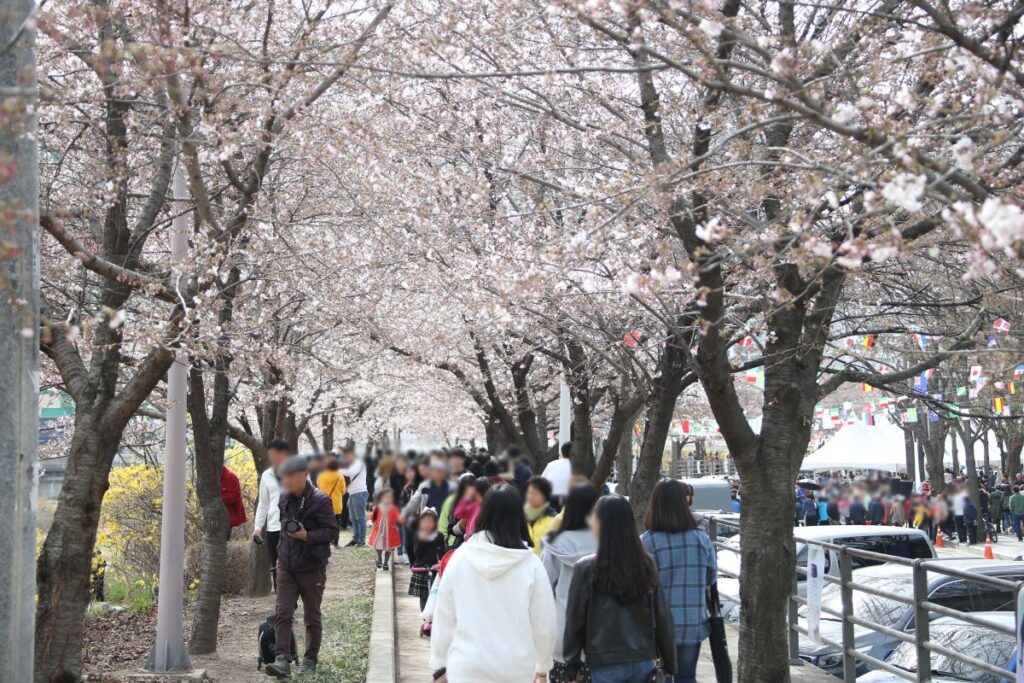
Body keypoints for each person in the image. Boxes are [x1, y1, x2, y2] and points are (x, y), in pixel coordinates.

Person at [429, 485, 556, 683]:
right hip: (517, 669)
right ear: (518, 517)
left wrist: (439, 665)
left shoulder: (461, 558)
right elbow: (544, 622)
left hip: (466, 666)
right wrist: (542, 666)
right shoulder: (532, 566)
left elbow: (444, 615)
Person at [563, 495, 677, 683]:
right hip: (642, 659)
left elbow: (575, 621)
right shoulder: (646, 564)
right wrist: (670, 664)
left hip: (603, 660)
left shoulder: (586, 568)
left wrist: (572, 664)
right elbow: (662, 616)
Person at [264, 456, 338, 678]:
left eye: (290, 476)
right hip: (286, 564)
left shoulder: (320, 500)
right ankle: (282, 659)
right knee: (283, 612)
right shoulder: (284, 497)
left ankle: (309, 659)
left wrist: (307, 535)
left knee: (311, 616)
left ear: (304, 474)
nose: (285, 481)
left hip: (311, 567)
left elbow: (332, 532)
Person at [641, 480, 716, 683]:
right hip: (693, 621)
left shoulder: (648, 541)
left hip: (658, 626)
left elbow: (640, 585)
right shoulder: (701, 538)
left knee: (659, 676)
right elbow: (711, 577)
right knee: (686, 676)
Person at [540, 484, 600, 683]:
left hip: (563, 634)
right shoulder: (607, 542)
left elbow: (543, 588)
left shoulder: (554, 544)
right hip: (601, 635)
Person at [254, 439, 289, 592]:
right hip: (274, 527)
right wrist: (257, 527)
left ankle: (291, 604)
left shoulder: (299, 471)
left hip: (295, 527)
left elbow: (310, 497)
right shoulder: (267, 475)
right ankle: (282, 609)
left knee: (293, 566)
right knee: (276, 566)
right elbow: (263, 503)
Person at [409, 508, 447, 611]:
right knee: (424, 597)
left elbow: (442, 552)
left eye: (430, 522)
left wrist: (439, 564)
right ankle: (425, 618)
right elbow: (416, 553)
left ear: (435, 523)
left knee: (435, 596)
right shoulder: (418, 535)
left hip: (434, 570)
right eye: (425, 521)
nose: (427, 524)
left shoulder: (439, 536)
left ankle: (434, 619)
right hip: (422, 569)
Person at [315, 455, 346, 547]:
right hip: (336, 504)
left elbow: (318, 487)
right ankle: (335, 542)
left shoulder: (321, 475)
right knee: (336, 524)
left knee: (323, 524)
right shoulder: (340, 476)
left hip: (323, 504)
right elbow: (343, 490)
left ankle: (324, 542)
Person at [341, 447, 369, 546]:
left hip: (359, 492)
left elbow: (350, 473)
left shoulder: (359, 463)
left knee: (360, 518)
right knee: (353, 518)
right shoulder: (353, 464)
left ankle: (361, 540)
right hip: (353, 493)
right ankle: (355, 538)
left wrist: (337, 468)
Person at [369, 488, 402, 571]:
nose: (387, 499)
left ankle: (386, 563)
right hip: (379, 531)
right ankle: (379, 559)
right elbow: (373, 516)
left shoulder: (394, 508)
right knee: (378, 545)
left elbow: (398, 518)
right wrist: (372, 522)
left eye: (389, 497)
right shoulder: (378, 507)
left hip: (390, 532)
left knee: (389, 548)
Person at [524, 476, 557, 555]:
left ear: (545, 496)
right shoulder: (522, 517)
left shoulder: (554, 521)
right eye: (529, 493)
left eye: (534, 494)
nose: (530, 497)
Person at [541, 443, 573, 509]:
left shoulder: (551, 464)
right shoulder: (576, 467)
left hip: (550, 498)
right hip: (568, 499)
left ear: (561, 452)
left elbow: (541, 481)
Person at [221, 465, 246, 539]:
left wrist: (218, 499)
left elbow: (234, 496)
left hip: (230, 516)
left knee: (224, 539)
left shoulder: (230, 477)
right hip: (220, 516)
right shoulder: (214, 478)